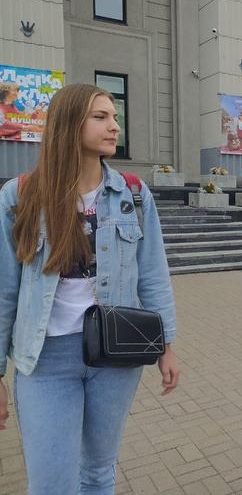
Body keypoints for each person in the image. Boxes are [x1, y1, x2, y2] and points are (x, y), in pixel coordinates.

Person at [0, 83, 180, 494]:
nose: (115, 126)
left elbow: (153, 274)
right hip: (44, 359)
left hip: (115, 355)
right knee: (51, 483)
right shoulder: (19, 196)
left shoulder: (133, 193)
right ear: (68, 124)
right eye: (101, 117)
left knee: (98, 472)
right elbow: (4, 289)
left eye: (114, 117)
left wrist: (166, 346)